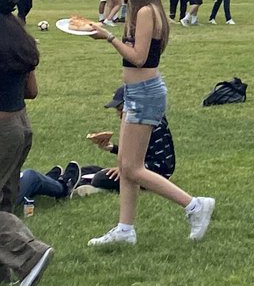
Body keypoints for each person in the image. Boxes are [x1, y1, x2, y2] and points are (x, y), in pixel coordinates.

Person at [84, 0, 215, 246]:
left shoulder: (145, 12)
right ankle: (125, 229)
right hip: (137, 92)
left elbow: (139, 57)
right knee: (124, 163)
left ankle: (194, 205)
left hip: (145, 93)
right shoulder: (141, 10)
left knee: (133, 168)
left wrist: (108, 37)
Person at [21, 86, 176, 201]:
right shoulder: (138, 122)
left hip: (150, 174)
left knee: (100, 178)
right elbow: (137, 151)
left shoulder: (152, 125)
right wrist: (112, 148)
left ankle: (93, 189)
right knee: (87, 169)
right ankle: (62, 183)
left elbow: (163, 164)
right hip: (135, 169)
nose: (119, 115)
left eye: (121, 109)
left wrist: (128, 169)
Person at [0, 0, 53, 286]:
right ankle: (4, 272)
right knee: (3, 200)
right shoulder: (21, 37)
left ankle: (30, 253)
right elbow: (31, 91)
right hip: (20, 126)